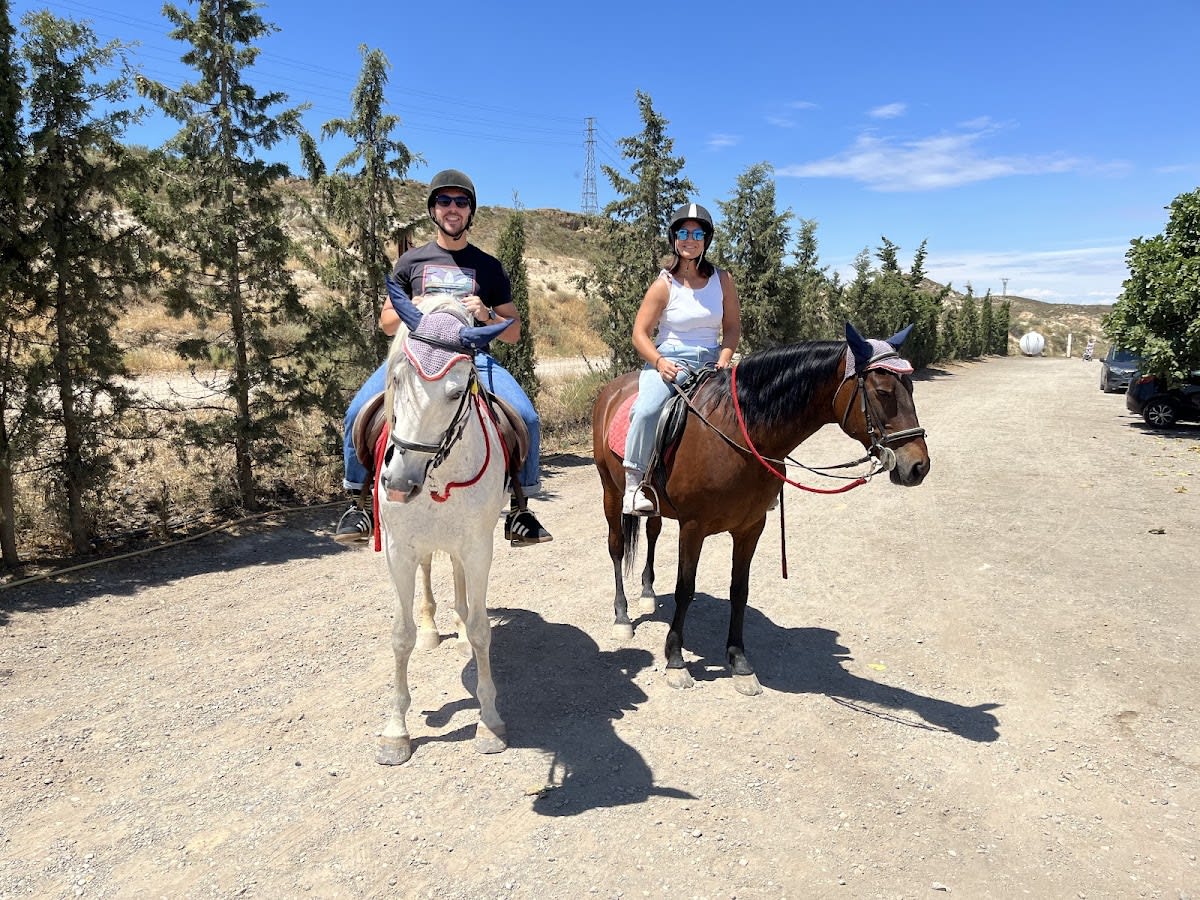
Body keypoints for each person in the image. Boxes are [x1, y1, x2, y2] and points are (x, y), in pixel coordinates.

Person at [335, 168, 553, 547]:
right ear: (433, 209)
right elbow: (387, 324)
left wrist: (486, 314)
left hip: (471, 359)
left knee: (527, 417)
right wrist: (411, 307)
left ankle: (521, 506)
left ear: (471, 211)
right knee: (357, 412)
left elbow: (513, 331)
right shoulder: (411, 263)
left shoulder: (488, 267)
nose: (453, 208)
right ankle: (359, 503)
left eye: (461, 202)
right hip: (413, 358)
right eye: (444, 201)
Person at [622, 202, 742, 515]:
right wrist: (660, 362)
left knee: (750, 407)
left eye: (698, 233)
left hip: (713, 363)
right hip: (670, 363)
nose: (691, 239)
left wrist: (725, 357)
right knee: (647, 411)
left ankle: (754, 483)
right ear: (675, 238)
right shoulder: (664, 285)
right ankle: (634, 485)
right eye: (684, 232)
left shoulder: (723, 280)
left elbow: (731, 328)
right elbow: (639, 333)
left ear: (706, 239)